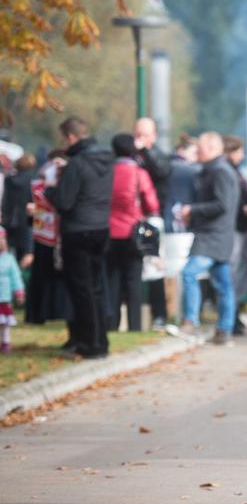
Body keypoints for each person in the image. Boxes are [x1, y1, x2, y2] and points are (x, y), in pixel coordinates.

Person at [45, 116, 114, 358]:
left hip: (78, 230)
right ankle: (101, 341)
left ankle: (89, 344)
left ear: (71, 137)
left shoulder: (77, 163)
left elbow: (64, 202)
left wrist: (49, 190)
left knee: (82, 291)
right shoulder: (107, 159)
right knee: (96, 288)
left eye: (64, 139)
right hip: (101, 228)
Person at [178, 132, 240, 346]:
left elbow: (222, 204)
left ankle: (190, 321)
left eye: (201, 148)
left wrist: (192, 210)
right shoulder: (216, 169)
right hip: (218, 235)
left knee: (189, 273)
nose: (197, 151)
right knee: (224, 286)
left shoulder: (220, 171)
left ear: (213, 148)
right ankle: (224, 329)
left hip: (213, 236)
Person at [107, 133, 159, 332]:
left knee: (112, 279)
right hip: (133, 233)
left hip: (109, 232)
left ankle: (111, 324)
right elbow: (151, 204)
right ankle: (135, 325)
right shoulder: (139, 173)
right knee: (133, 281)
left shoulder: (107, 172)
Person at [25, 149, 73, 333]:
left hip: (57, 234)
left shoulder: (63, 181)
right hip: (45, 235)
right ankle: (42, 312)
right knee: (44, 275)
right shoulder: (38, 185)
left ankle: (55, 311)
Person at [133, 117, 172, 331]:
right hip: (131, 217)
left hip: (151, 217)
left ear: (153, 136)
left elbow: (161, 172)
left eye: (145, 135)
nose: (140, 139)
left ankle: (159, 314)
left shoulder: (158, 155)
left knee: (155, 265)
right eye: (138, 134)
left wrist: (145, 152)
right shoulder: (130, 156)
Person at [224, 136, 247, 336]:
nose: (242, 155)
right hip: (235, 226)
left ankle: (233, 302)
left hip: (245, 225)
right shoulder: (227, 170)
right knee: (233, 268)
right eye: (239, 151)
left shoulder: (236, 170)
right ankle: (230, 310)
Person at [1, 153, 37, 264]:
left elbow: (5, 199)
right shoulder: (32, 180)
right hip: (27, 218)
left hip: (9, 217)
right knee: (26, 249)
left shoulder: (9, 179)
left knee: (7, 249)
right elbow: (33, 201)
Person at [163, 135, 199, 234]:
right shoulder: (184, 168)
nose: (196, 157)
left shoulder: (169, 164)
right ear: (182, 151)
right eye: (194, 153)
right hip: (178, 216)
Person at [0, 227, 25, 354]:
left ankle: (5, 342)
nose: (1, 242)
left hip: (4, 297)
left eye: (3, 239)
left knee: (4, 322)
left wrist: (19, 292)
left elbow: (15, 277)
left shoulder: (9, 259)